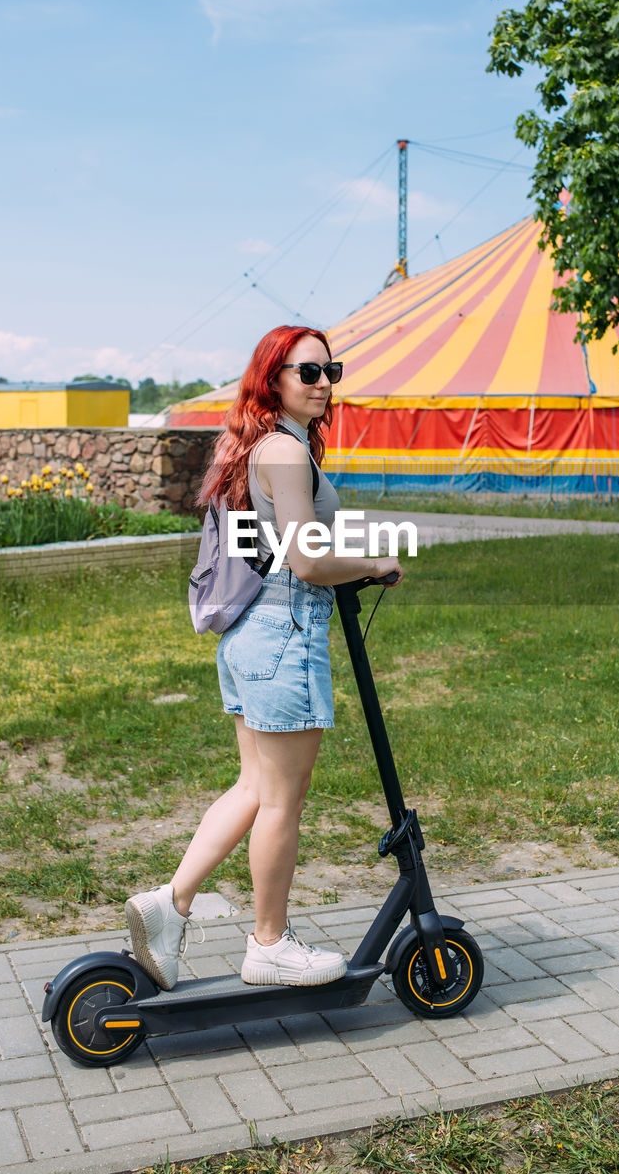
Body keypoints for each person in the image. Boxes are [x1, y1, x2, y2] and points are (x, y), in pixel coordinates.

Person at [125, 324, 403, 989]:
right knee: (281, 800)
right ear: (273, 378)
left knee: (254, 788)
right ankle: (269, 946)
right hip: (284, 640)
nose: (323, 384)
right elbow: (306, 560)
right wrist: (374, 562)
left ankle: (168, 906)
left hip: (253, 638)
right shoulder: (284, 451)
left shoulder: (267, 446)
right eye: (307, 372)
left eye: (330, 371)